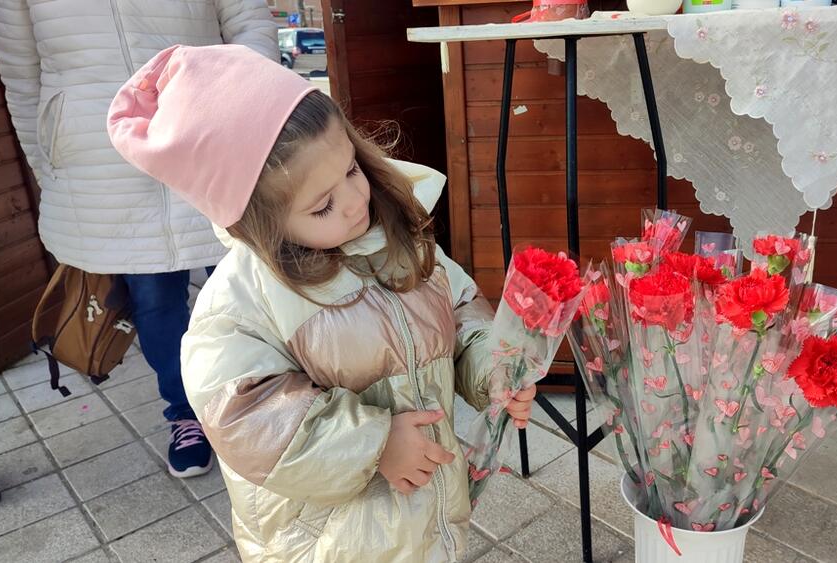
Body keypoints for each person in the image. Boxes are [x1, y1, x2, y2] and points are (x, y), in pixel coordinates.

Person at [107, 44, 537, 561]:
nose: (356, 202)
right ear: (258, 222)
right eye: (322, 205)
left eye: (352, 170)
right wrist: (374, 443)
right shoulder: (243, 299)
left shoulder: (394, 238)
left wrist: (491, 364)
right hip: (330, 537)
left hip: (420, 510)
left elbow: (458, 307)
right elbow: (244, 414)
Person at [0, 1, 279, 479]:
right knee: (154, 300)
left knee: (251, 281)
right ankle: (187, 414)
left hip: (206, 130)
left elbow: (247, 18)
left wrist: (241, 102)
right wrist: (52, 163)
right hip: (99, 153)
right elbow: (22, 73)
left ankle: (269, 401)